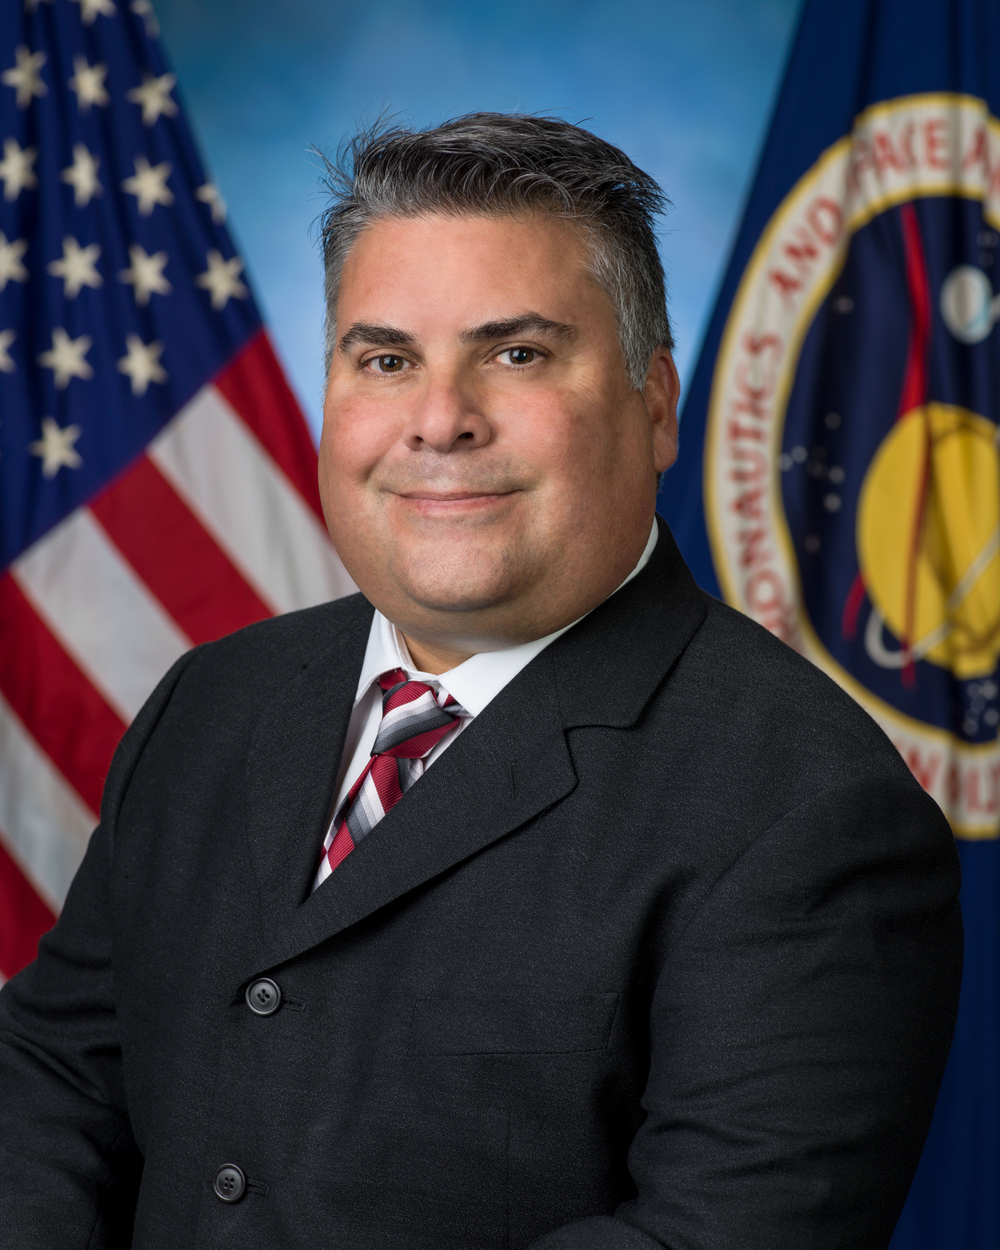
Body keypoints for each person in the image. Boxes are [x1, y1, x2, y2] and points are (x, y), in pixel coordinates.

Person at [0, 114, 961, 1250]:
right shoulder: (211, 703)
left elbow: (705, 1235)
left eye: (517, 354)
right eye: (386, 358)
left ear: (656, 403)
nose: (439, 420)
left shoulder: (804, 810)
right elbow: (54, 1074)